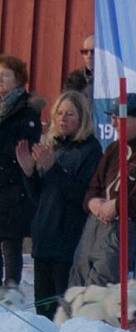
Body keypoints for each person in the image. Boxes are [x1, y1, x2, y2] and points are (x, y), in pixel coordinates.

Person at [70, 92, 136, 287]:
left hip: (123, 229)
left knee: (101, 287)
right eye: (113, 117)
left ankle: (95, 318)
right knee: (78, 279)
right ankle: (73, 317)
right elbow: (94, 187)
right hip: (94, 226)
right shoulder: (113, 149)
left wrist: (119, 205)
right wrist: (93, 202)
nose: (114, 123)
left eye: (120, 118)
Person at [16, 90, 101, 318]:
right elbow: (39, 197)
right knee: (42, 310)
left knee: (64, 312)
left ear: (82, 118)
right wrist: (29, 172)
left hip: (68, 242)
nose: (63, 119)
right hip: (44, 238)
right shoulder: (52, 147)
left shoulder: (90, 150)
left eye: (70, 114)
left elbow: (80, 194)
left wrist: (52, 168)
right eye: (60, 113)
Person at [0, 54, 42, 286]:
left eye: (5, 75)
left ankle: (12, 289)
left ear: (19, 79)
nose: (0, 80)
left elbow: (22, 146)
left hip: (14, 186)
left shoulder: (26, 112)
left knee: (11, 242)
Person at [63, 35, 94, 99]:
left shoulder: (109, 79)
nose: (89, 55)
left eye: (92, 51)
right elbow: (67, 101)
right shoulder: (73, 78)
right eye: (85, 52)